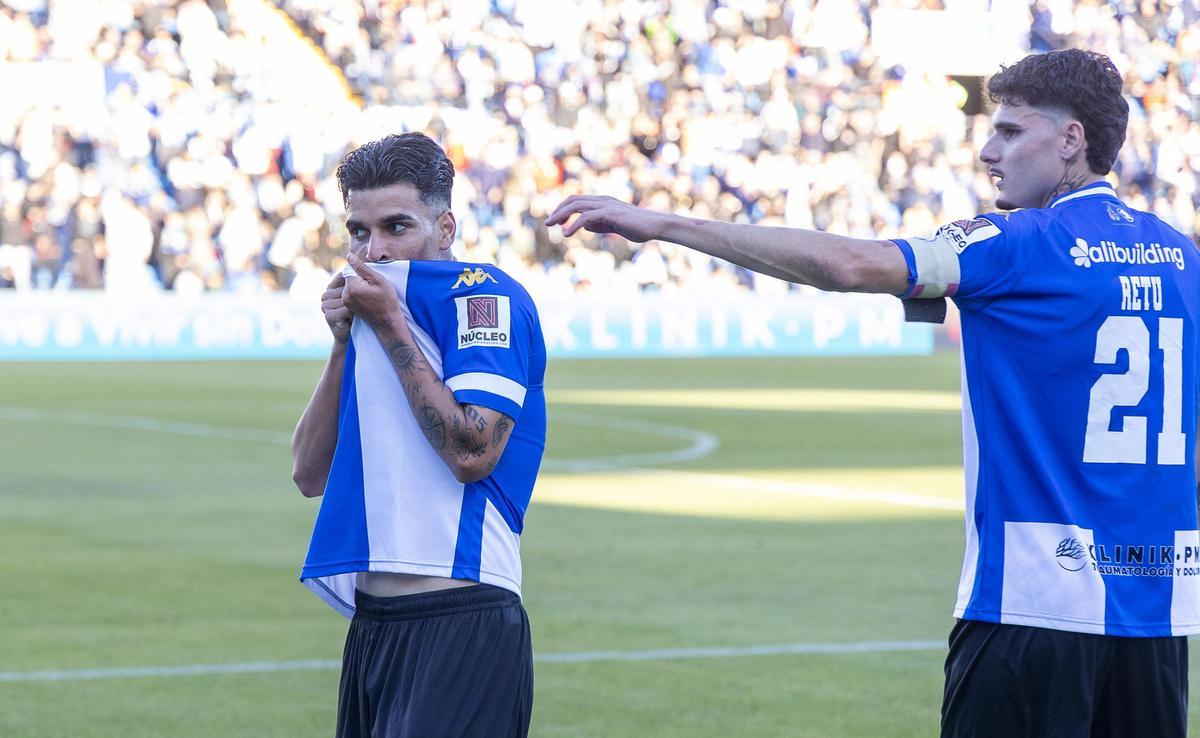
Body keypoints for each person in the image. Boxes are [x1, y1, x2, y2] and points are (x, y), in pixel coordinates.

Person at [548, 49, 1200, 737]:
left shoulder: (1015, 242)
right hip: (1159, 624)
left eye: (1009, 131)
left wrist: (666, 224)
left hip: (1031, 611)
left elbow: (851, 263)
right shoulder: (1183, 256)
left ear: (1071, 140)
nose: (987, 151)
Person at [291, 132, 547, 738]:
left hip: (461, 614)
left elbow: (472, 450)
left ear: (446, 228)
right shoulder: (376, 318)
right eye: (359, 231)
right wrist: (344, 342)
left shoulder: (483, 300)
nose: (374, 251)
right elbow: (308, 473)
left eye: (397, 227)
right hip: (374, 622)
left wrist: (389, 326)